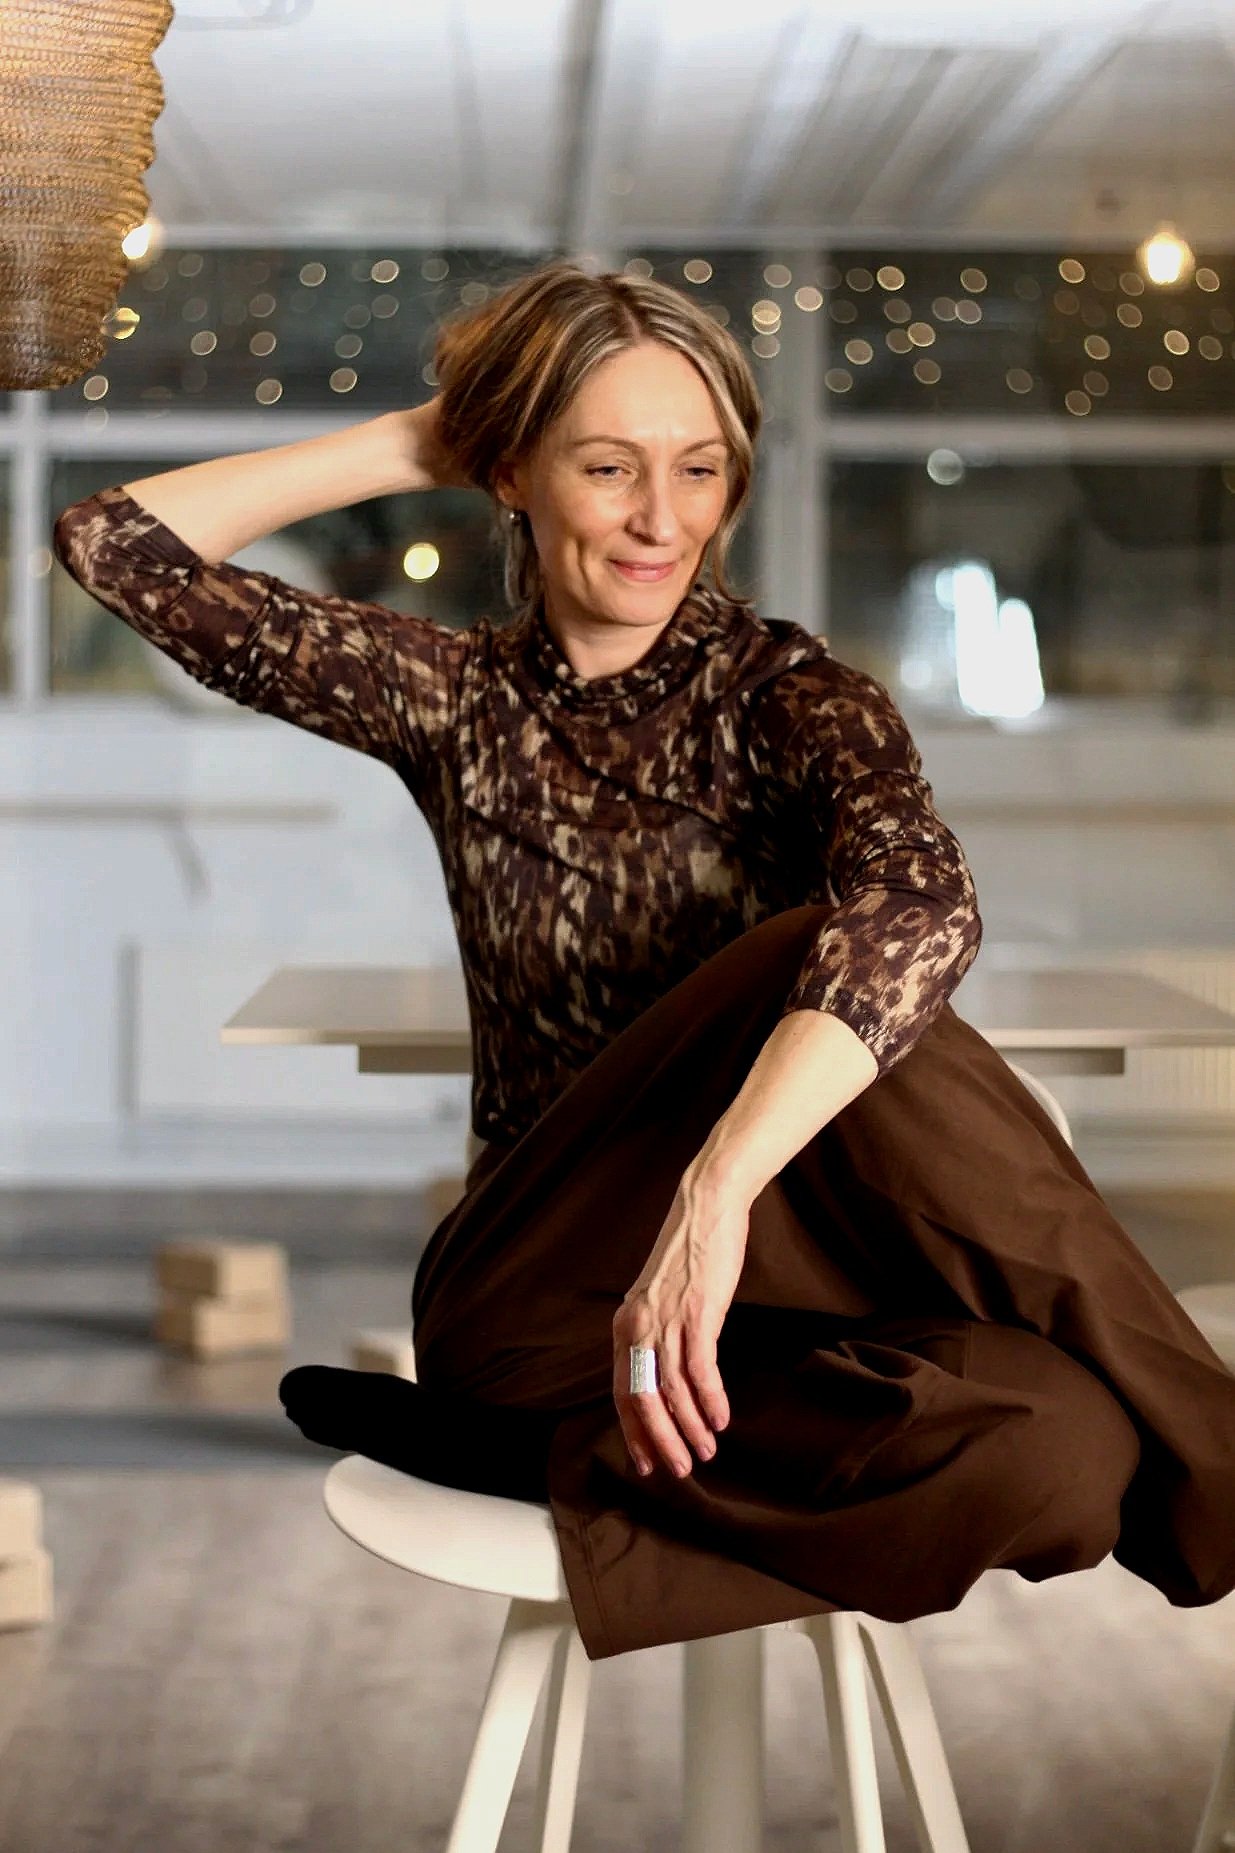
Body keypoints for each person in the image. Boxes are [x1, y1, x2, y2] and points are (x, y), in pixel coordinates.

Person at [52, 260, 1235, 1663]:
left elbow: (927, 898)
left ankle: (546, 1467)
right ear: (516, 473)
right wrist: (423, 436)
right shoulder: (456, 702)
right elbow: (112, 544)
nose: (661, 519)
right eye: (608, 465)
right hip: (544, 1299)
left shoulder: (800, 701)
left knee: (1068, 1454)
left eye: (700, 468)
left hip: (781, 1303)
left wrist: (719, 1188)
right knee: (813, 951)